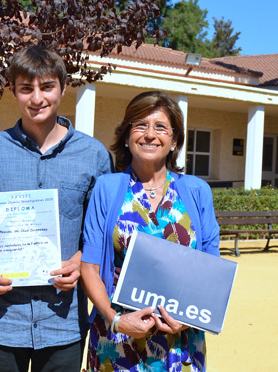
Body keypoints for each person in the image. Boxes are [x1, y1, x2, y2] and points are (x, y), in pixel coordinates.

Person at [0, 44, 114, 372]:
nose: (37, 98)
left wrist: (79, 263)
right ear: (13, 91)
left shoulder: (94, 156)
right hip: (1, 320)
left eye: (47, 87)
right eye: (26, 89)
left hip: (64, 322)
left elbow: (103, 234)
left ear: (63, 87)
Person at [80, 90, 220, 372]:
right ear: (127, 136)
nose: (149, 134)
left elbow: (211, 269)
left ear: (174, 140)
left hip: (180, 340)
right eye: (140, 125)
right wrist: (115, 319)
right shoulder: (107, 188)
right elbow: (90, 267)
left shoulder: (196, 191)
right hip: (118, 337)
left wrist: (189, 317)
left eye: (160, 127)